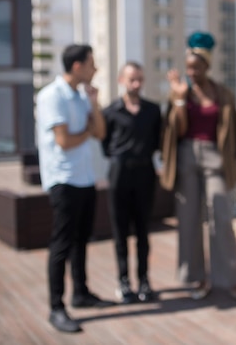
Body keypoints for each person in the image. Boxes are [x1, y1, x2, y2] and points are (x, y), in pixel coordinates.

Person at [160, 31, 236, 306]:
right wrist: (179, 100)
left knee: (221, 218)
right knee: (189, 220)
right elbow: (175, 131)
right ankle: (197, 279)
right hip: (186, 157)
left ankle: (232, 282)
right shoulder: (180, 92)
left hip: (215, 158)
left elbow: (234, 133)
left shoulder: (221, 93)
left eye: (196, 67)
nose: (191, 72)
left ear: (206, 66)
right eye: (188, 67)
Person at [36, 44, 113, 333]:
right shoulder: (50, 96)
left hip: (85, 178)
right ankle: (56, 307)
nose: (95, 69)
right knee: (62, 244)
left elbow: (101, 133)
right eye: (92, 64)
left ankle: (80, 293)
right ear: (78, 66)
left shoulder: (82, 96)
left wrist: (94, 103)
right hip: (63, 180)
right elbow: (64, 141)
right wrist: (87, 130)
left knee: (82, 240)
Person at [101, 61, 162, 304]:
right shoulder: (110, 111)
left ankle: (144, 280)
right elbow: (105, 146)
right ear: (121, 80)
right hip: (119, 174)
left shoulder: (153, 110)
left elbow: (158, 140)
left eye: (139, 79)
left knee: (143, 231)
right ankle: (124, 281)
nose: (136, 84)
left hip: (145, 173)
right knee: (120, 232)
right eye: (131, 79)